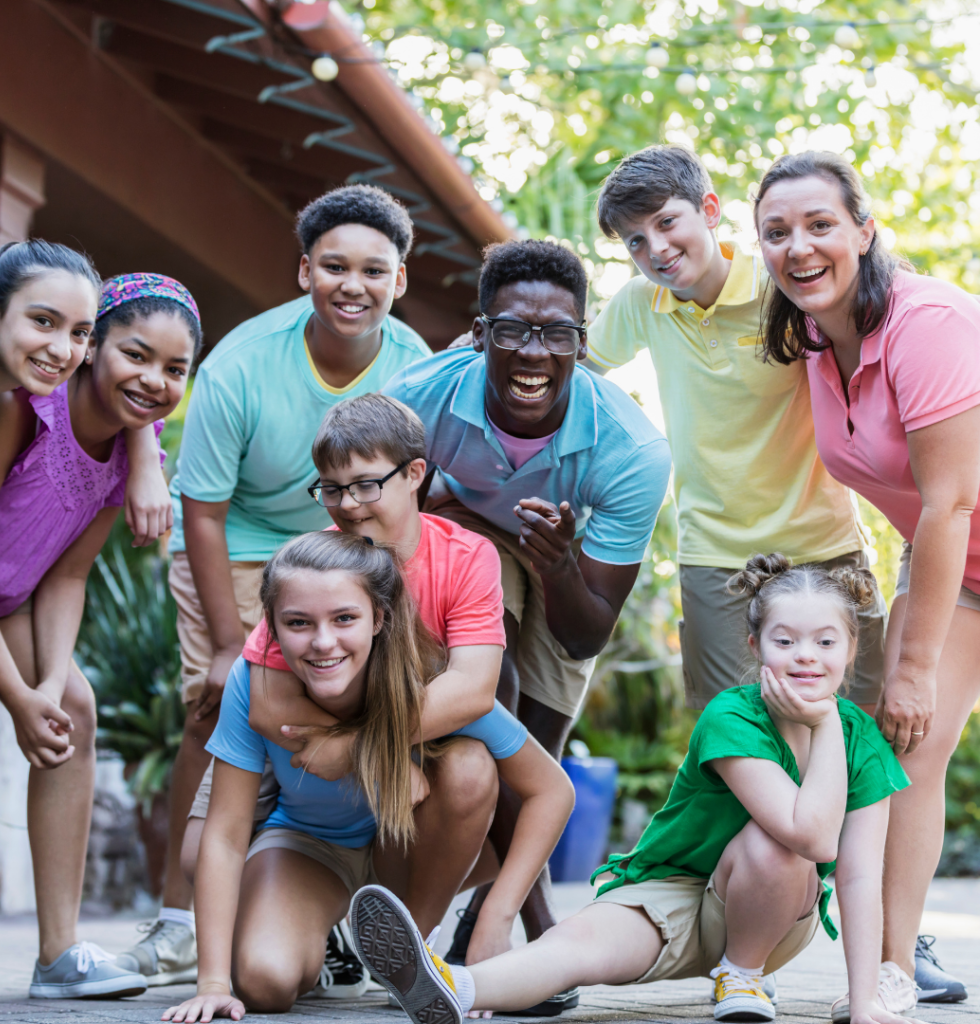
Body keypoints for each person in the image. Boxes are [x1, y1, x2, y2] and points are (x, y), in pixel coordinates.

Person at [351, 554, 919, 1024]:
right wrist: (820, 724)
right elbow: (812, 829)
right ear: (754, 647)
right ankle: (452, 986)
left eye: (825, 642)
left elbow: (845, 863)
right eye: (785, 640)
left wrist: (864, 1001)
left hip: (769, 914)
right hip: (667, 889)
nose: (805, 657)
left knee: (776, 847)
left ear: (851, 649)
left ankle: (742, 977)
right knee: (573, 949)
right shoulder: (732, 717)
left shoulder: (858, 738)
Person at [122, 185, 434, 985]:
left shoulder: (416, 368)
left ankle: (334, 905)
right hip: (239, 546)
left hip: (354, 549)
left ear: (401, 279)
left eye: (373, 269)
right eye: (334, 266)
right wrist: (230, 643)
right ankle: (178, 921)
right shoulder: (241, 365)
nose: (352, 285)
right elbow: (201, 510)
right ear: (304, 271)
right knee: (216, 712)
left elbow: (416, 497)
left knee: (372, 708)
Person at [384, 239, 671, 1000]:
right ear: (478, 333)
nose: (533, 352)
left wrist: (558, 563)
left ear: (582, 340)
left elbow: (586, 633)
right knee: (492, 682)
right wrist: (432, 504)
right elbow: (372, 519)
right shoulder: (417, 397)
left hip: (569, 564)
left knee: (534, 750)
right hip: (469, 533)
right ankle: (533, 933)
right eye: (512, 330)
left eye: (558, 334)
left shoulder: (631, 449)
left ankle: (491, 908)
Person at [161, 531, 574, 1023]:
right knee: (264, 982)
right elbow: (225, 833)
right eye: (298, 622)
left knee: (469, 767)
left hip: (409, 846)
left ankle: (411, 950)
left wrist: (494, 920)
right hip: (309, 845)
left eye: (344, 619)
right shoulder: (256, 686)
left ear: (378, 618)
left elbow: (552, 790)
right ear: (270, 626)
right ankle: (329, 943)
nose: (322, 642)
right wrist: (212, 984)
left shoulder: (429, 682)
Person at [182, 393, 508, 991]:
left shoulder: (461, 558)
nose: (347, 505)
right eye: (330, 489)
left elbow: (472, 689)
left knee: (477, 777)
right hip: (296, 751)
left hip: (392, 766)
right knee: (201, 854)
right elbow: (267, 701)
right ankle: (300, 918)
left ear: (415, 475)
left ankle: (408, 950)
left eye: (363, 486)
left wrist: (361, 748)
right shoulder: (323, 563)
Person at [754, 150, 980, 1005]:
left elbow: (950, 503)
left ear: (865, 229)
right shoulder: (815, 336)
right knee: (903, 756)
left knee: (909, 717)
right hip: (958, 565)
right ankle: (888, 974)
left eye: (820, 225)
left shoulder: (928, 325)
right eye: (777, 232)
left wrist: (915, 665)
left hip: (954, 538)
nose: (799, 247)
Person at [0, 274, 200, 1007]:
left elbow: (66, 576)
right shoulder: (23, 412)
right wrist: (12, 695)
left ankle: (58, 952)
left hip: (9, 601)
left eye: (174, 369)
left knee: (73, 708)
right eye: (135, 354)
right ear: (92, 348)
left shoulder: (137, 443)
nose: (153, 380)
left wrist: (47, 685)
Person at [584, 144, 884, 712]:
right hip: (715, 555)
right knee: (733, 735)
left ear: (711, 209)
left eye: (667, 222)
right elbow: (570, 369)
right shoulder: (641, 304)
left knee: (859, 728)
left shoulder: (784, 288)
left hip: (823, 542)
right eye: (636, 241)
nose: (657, 249)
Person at [0, 240, 173, 546]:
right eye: (44, 321)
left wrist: (147, 461)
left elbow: (127, 394)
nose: (61, 350)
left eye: (79, 333)